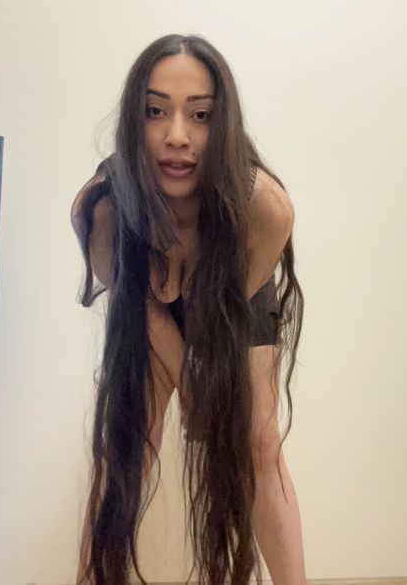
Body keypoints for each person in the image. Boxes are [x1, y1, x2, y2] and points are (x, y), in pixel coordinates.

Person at [70, 34, 306, 585]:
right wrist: (192, 391)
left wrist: (209, 398)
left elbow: (220, 320)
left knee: (259, 441)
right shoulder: (102, 209)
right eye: (155, 111)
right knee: (125, 447)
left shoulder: (265, 210)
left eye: (200, 115)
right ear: (134, 120)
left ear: (222, 124)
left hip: (230, 297)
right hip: (147, 304)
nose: (177, 136)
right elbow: (150, 315)